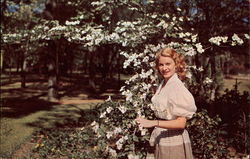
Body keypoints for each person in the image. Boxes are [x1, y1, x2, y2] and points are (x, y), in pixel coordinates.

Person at [135, 48, 197, 159]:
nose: (164, 68)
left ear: (176, 65)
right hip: (161, 136)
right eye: (161, 65)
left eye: (168, 64)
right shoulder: (163, 84)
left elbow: (181, 123)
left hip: (172, 139)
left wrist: (153, 123)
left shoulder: (176, 87)